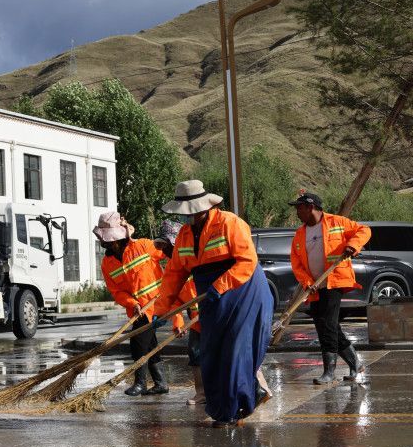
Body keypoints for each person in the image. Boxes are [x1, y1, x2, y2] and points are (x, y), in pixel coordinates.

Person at [155, 180, 274, 427]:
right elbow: (174, 275)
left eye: (190, 211)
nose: (187, 216)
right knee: (212, 353)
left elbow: (246, 261)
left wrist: (219, 286)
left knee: (234, 350)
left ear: (204, 207)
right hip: (210, 296)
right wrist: (161, 310)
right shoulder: (185, 236)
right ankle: (227, 405)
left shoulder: (230, 223)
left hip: (243, 291)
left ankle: (232, 411)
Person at [94, 211, 183, 396]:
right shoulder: (107, 263)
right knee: (149, 344)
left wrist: (173, 279)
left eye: (110, 240)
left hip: (158, 305)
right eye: (105, 240)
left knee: (138, 343)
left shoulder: (143, 246)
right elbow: (116, 292)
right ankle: (160, 383)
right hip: (138, 310)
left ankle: (140, 383)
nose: (107, 243)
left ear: (119, 237)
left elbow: (171, 253)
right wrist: (131, 302)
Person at [288, 192, 370, 384]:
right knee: (324, 324)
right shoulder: (300, 234)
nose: (297, 212)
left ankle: (329, 372)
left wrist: (352, 245)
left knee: (328, 324)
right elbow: (296, 263)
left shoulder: (337, 222)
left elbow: (364, 230)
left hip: (334, 281)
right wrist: (307, 282)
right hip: (315, 287)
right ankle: (355, 362)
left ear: (311, 207)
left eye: (300, 208)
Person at [154, 220, 205, 406]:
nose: (164, 251)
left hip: (212, 315)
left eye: (167, 246)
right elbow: (175, 300)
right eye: (162, 246)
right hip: (196, 321)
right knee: (195, 352)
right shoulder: (171, 267)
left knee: (222, 352)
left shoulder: (194, 259)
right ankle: (202, 393)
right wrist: (177, 322)